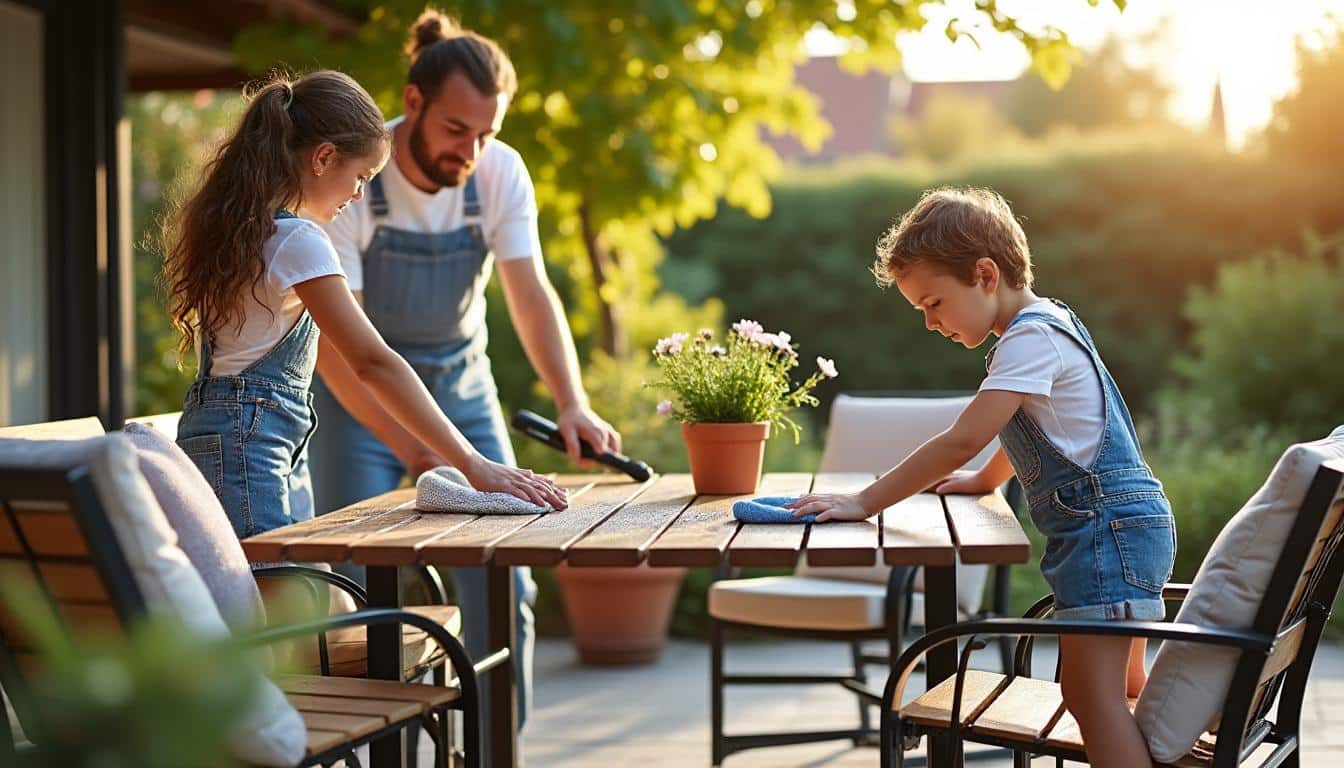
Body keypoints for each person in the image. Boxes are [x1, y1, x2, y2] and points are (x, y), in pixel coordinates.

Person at [788, 187, 1175, 768]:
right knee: (1123, 690)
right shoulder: (1049, 324)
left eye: (934, 302)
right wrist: (985, 479)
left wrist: (865, 501)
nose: (929, 322)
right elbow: (1042, 430)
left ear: (986, 275)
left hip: (1105, 536)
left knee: (1091, 698)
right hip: (1122, 531)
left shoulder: (1030, 337)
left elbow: (962, 437)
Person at [310, 11, 620, 729]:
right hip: (361, 398)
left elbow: (530, 294)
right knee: (356, 583)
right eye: (457, 130)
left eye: (486, 133)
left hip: (462, 384)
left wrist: (571, 400)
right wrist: (416, 450)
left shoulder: (500, 172)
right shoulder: (357, 179)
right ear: (412, 102)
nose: (472, 150)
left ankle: (491, 746)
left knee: (505, 580)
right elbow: (345, 348)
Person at [160, 70, 566, 544]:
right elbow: (373, 363)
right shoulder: (298, 240)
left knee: (296, 585)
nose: (358, 195)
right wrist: (474, 464)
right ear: (323, 157)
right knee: (274, 589)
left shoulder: (248, 229)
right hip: (251, 447)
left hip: (225, 435)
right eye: (360, 177)